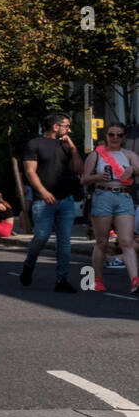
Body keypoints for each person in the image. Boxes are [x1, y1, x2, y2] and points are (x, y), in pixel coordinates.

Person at [20, 112, 83, 293]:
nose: (69, 129)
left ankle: (61, 279)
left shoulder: (66, 146)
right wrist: (43, 192)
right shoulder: (34, 144)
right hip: (43, 201)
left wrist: (73, 150)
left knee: (64, 241)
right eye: (66, 126)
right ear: (56, 126)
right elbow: (30, 172)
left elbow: (79, 169)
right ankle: (29, 264)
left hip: (66, 200)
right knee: (41, 237)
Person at [81, 123, 138, 294]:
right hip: (102, 196)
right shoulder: (96, 155)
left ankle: (135, 280)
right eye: (111, 134)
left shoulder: (128, 155)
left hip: (123, 197)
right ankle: (97, 280)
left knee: (127, 241)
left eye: (119, 135)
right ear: (106, 136)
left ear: (124, 138)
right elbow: (83, 179)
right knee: (102, 242)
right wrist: (97, 177)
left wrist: (132, 169)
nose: (115, 138)